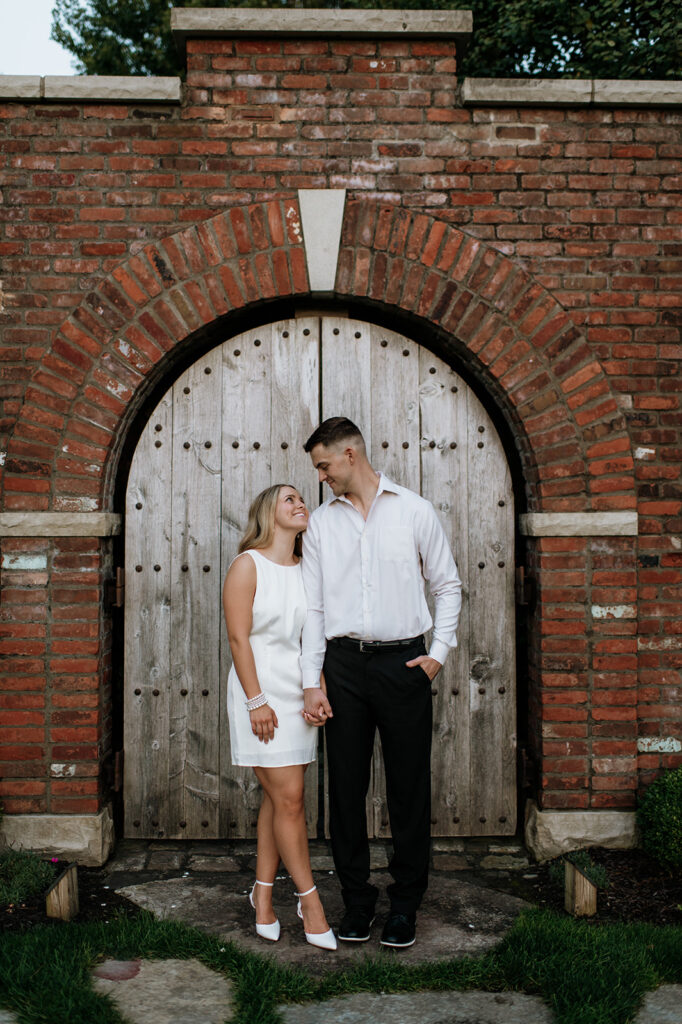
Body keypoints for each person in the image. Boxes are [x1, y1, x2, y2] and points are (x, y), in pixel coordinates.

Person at [300, 418, 462, 949]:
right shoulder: (322, 523)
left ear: (351, 454)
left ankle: (405, 906)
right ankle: (357, 903)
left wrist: (437, 654)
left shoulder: (414, 511)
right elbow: (316, 607)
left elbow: (447, 585)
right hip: (343, 667)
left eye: (324, 465)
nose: (320, 476)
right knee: (345, 790)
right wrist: (312, 682)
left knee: (408, 788)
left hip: (404, 666)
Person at [223, 483, 336, 950]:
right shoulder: (247, 565)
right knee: (289, 801)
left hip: (297, 695)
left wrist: (317, 690)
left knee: (278, 802)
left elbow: (313, 640)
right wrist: (256, 701)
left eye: (300, 498)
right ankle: (310, 902)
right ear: (268, 513)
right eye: (288, 499)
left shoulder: (307, 568)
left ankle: (263, 896)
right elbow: (238, 639)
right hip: (259, 694)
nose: (299, 503)